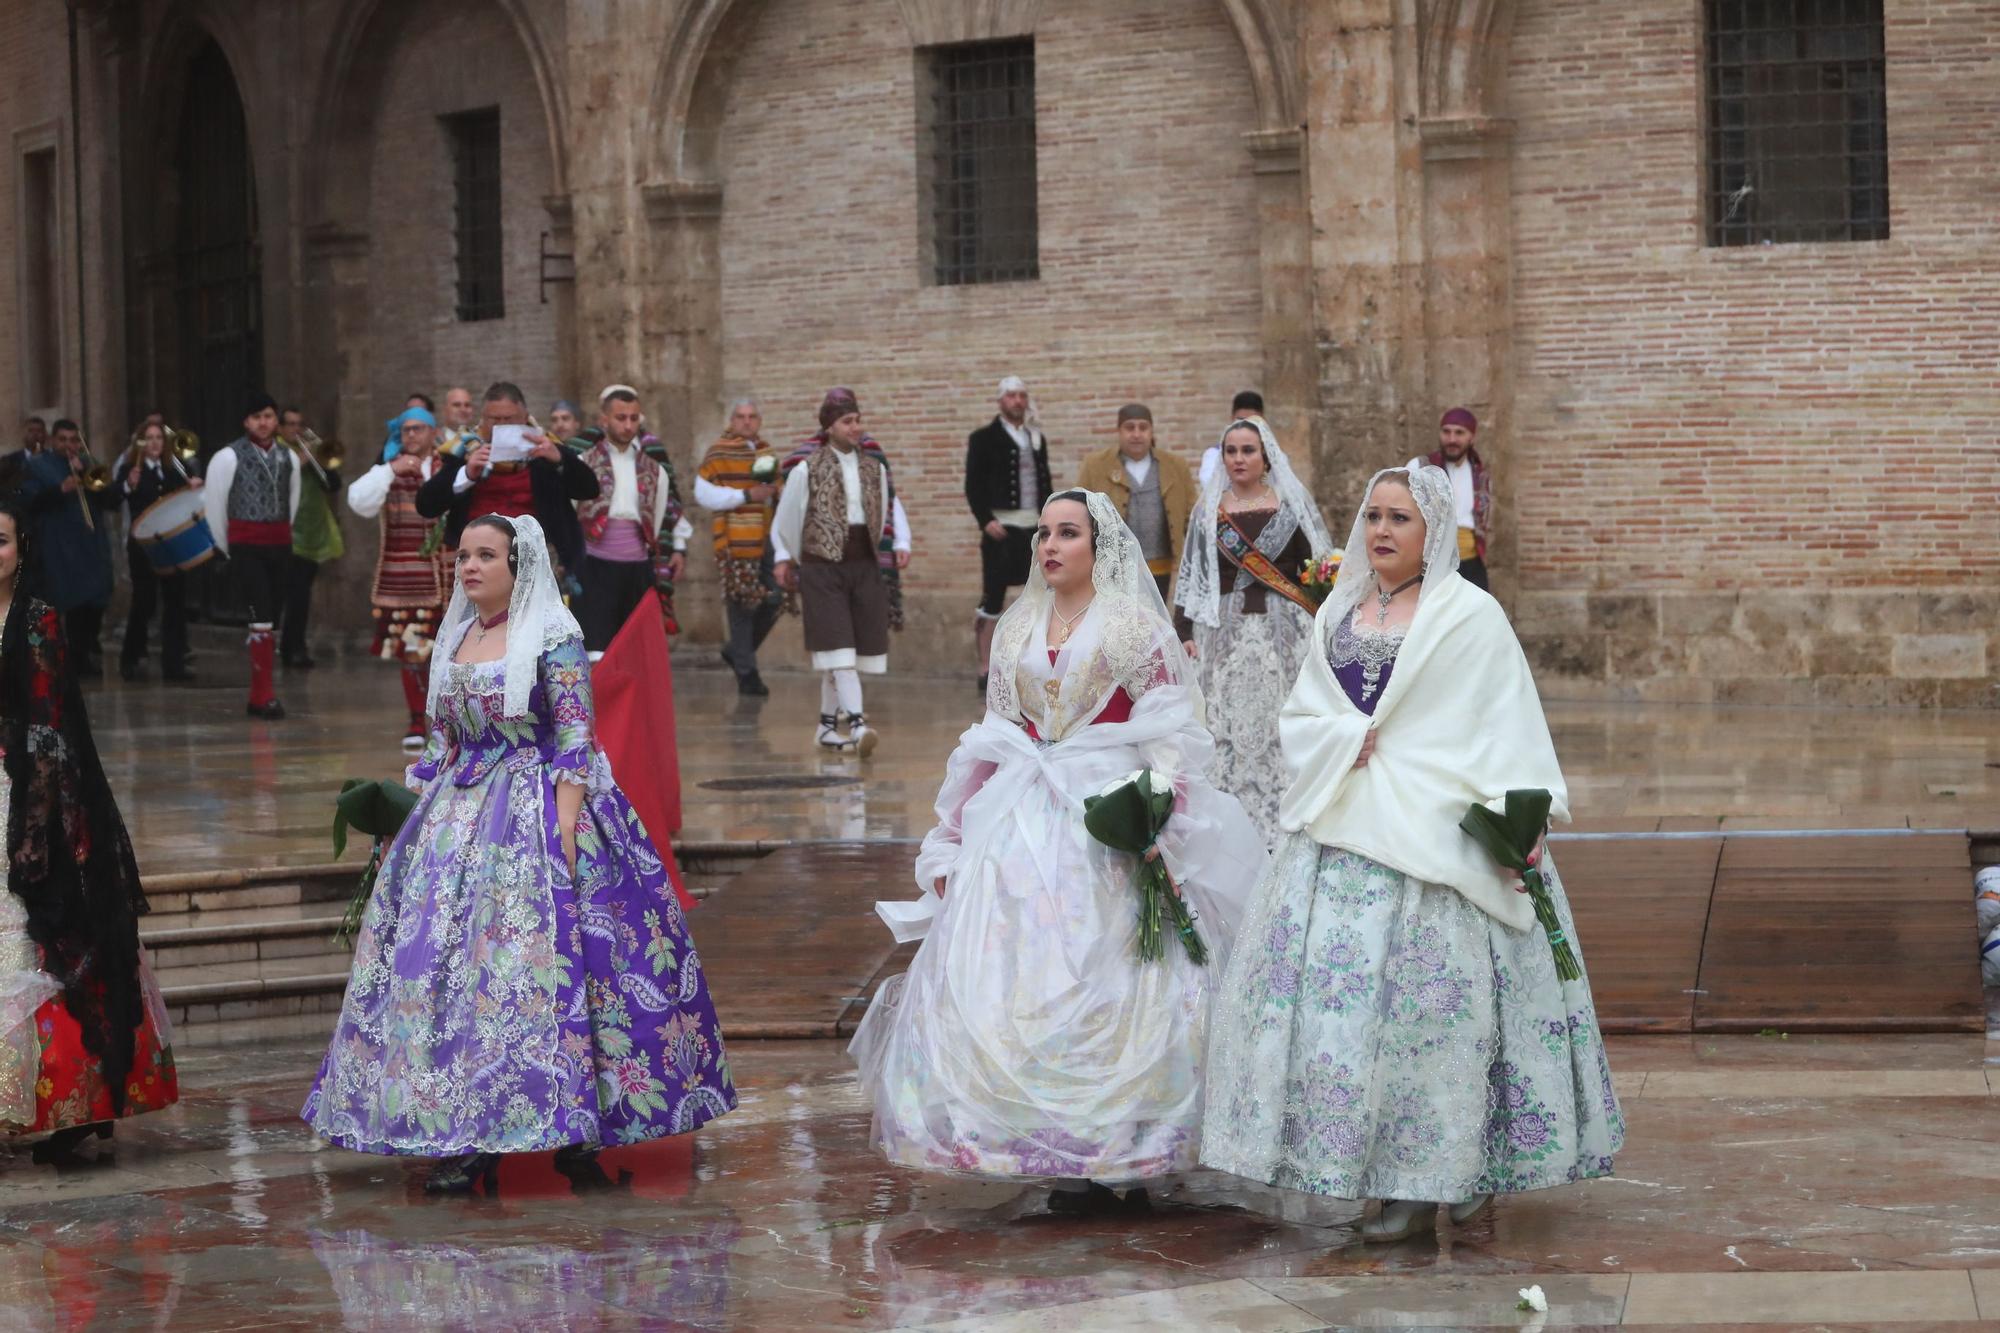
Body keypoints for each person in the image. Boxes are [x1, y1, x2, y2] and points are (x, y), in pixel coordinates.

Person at [1199, 465, 1622, 1243]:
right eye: (1373, 517)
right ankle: (1392, 1185)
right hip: (1346, 831)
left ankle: (1456, 1173)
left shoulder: (1472, 616)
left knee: (1434, 1019)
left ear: (1431, 533)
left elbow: (1506, 718)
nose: (1383, 531)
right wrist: (1341, 739)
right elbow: (1305, 713)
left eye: (1400, 518)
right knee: (1355, 1023)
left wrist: (1520, 818)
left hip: (1441, 834)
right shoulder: (1339, 612)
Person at [851, 489, 1265, 1212]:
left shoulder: (1133, 626)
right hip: (1025, 813)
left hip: (1108, 814)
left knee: (1119, 977)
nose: (1049, 544)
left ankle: (1127, 1154)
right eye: (1043, 532)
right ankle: (1059, 1157)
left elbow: (1170, 725)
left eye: (1066, 533)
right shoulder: (1015, 628)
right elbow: (995, 735)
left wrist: (1156, 802)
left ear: (1097, 547)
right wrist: (954, 837)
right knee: (1017, 968)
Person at [302, 513, 736, 1193]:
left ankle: (577, 1128)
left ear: (517, 565)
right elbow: (440, 741)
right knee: (452, 970)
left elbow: (573, 736)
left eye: (485, 556)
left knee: (549, 965)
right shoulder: (459, 636)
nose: (469, 566)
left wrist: (563, 830)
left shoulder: (553, 636)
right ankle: (471, 1129)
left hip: (536, 806)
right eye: (464, 555)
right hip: (458, 813)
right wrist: (409, 816)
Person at [0, 499, 179, 1164]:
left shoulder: (39, 617)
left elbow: (46, 721)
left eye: (0, 540)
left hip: (28, 787)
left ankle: (78, 1102)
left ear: (21, 549)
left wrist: (35, 821)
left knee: (47, 931)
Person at [1174, 417, 1334, 846]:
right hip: (1223, 634)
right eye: (1231, 451)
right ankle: (1228, 818)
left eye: (1248, 450)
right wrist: (1183, 629)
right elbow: (1193, 577)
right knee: (1224, 721)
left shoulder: (1290, 505)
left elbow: (1312, 570)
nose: (1239, 459)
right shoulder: (1208, 511)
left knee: (1282, 719)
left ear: (1265, 457)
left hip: (1284, 634)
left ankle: (1287, 811)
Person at [771, 389, 912, 755]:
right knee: (838, 649)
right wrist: (786, 555)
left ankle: (826, 727)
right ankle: (859, 724)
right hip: (822, 567)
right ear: (829, 425)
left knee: (847, 651)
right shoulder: (807, 468)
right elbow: (787, 517)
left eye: (857, 420)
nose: (856, 427)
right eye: (847, 421)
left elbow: (887, 506)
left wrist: (898, 544)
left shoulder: (873, 468)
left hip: (863, 564)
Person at [415, 381, 599, 579]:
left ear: (525, 418)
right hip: (478, 561)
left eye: (509, 419)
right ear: (483, 419)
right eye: (495, 419)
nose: (502, 426)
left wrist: (561, 460)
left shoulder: (545, 447)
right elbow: (426, 505)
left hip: (539, 559)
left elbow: (589, 490)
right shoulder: (465, 448)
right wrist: (467, 474)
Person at [347, 407, 452, 749]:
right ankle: (416, 719)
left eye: (418, 429)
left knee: (450, 655)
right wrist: (391, 469)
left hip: (451, 581)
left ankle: (449, 723)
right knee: (412, 652)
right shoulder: (387, 471)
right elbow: (358, 501)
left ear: (434, 433)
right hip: (407, 580)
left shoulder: (448, 466)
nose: (411, 436)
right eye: (405, 430)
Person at [575, 386, 691, 656]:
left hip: (637, 570)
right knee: (596, 651)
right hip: (594, 569)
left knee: (635, 652)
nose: (628, 425)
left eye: (634, 418)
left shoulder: (655, 471)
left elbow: (658, 518)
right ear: (604, 420)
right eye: (620, 417)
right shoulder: (583, 463)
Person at [204, 394, 300, 718]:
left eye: (269, 416)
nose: (263, 422)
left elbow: (293, 500)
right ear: (246, 421)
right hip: (246, 545)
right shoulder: (228, 457)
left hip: (279, 544)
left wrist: (284, 534)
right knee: (259, 616)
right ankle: (262, 694)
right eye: (256, 416)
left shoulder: (289, 457)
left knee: (273, 616)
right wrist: (225, 545)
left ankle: (262, 692)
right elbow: (215, 505)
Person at [964, 375, 1052, 695]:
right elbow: (973, 483)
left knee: (1041, 593)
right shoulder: (983, 438)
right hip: (1001, 528)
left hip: (1033, 527)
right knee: (993, 597)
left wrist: (1049, 522)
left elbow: (1045, 481)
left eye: (1022, 396)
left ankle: (1033, 662)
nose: (1018, 401)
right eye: (1012, 396)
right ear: (1000, 401)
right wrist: (985, 520)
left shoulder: (1035, 436)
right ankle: (985, 666)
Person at [694, 399, 783, 696]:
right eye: (741, 417)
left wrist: (777, 492)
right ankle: (748, 674)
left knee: (777, 597)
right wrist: (746, 495)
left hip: (768, 534)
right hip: (735, 539)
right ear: (732, 420)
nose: (747, 422)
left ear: (759, 421)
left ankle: (736, 650)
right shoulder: (718, 451)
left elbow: (777, 489)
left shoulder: (766, 451)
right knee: (742, 604)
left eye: (752, 417)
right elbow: (704, 494)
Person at [18, 420, 116, 678]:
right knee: (73, 601)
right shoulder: (37, 465)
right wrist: (61, 489)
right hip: (59, 544)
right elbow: (29, 501)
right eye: (63, 440)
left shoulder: (88, 463)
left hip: (90, 543)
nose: (69, 445)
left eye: (74, 440)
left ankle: (83, 652)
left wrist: (88, 476)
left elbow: (109, 499)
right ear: (53, 441)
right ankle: (77, 659)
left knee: (97, 598)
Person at [1075, 404, 1194, 602]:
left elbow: (1192, 514)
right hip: (1113, 565)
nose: (1137, 434)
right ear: (1119, 431)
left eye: (1143, 427)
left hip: (1161, 566)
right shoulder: (1095, 465)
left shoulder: (1175, 465)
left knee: (1155, 620)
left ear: (1151, 431)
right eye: (1130, 427)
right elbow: (1079, 512)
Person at [114, 422, 202, 684]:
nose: (154, 443)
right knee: (144, 601)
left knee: (175, 601)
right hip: (143, 547)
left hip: (172, 544)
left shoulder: (173, 469)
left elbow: (185, 498)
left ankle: (173, 664)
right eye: (148, 438)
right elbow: (112, 498)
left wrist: (193, 486)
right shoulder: (132, 469)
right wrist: (128, 486)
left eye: (158, 438)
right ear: (141, 443)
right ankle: (130, 656)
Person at [279, 407, 343, 670]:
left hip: (314, 530)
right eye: (290, 424)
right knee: (297, 593)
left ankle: (294, 645)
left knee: (302, 592)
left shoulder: (312, 449)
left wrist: (317, 460)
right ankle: (291, 647)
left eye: (299, 424)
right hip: (291, 531)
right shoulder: (280, 452)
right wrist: (299, 463)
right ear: (281, 429)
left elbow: (333, 484)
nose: (295, 429)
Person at [1410, 407, 1493, 592]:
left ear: (1471, 437)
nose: (1452, 439)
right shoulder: (1419, 467)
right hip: (1432, 565)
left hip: (1471, 564)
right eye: (1446, 432)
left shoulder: (1480, 475)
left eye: (1459, 433)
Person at [1198, 390, 1266, 490]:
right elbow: (1209, 485)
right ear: (1232, 419)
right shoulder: (1214, 454)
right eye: (1241, 420)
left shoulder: (1276, 457)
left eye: (1252, 422)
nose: (1245, 426)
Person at [0, 418, 47, 498]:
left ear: (45, 435)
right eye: (30, 431)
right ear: (24, 434)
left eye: (39, 431)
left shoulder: (52, 459)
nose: (35, 435)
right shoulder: (10, 460)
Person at [437, 386, 478, 455]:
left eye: (467, 405)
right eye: (456, 405)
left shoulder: (480, 439)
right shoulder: (432, 442)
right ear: (444, 410)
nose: (463, 410)